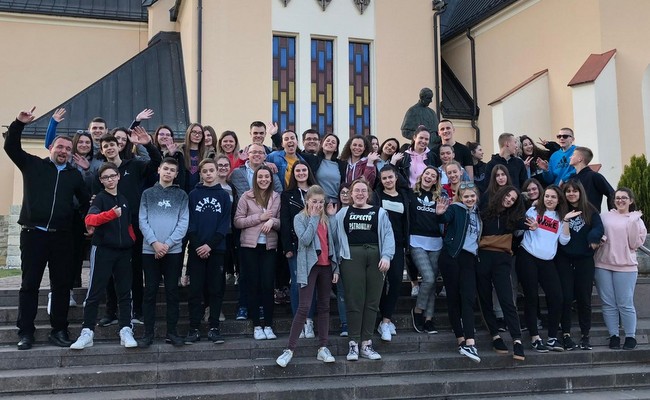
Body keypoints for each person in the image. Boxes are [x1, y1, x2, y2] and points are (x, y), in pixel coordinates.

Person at [5, 107, 90, 350]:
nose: (63, 151)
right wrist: (18, 123)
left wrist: (89, 223)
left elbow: (85, 202)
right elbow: (11, 147)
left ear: (71, 154)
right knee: (29, 285)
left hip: (62, 237)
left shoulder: (74, 176)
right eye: (60, 147)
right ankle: (26, 332)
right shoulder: (32, 165)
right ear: (51, 147)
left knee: (61, 286)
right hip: (33, 234)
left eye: (68, 149)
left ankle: (59, 330)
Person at [95, 129, 162, 328]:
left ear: (119, 146)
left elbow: (157, 163)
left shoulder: (134, 165)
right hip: (109, 227)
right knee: (109, 271)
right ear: (102, 150)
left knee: (135, 269)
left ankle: (137, 310)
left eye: (112, 144)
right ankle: (111, 311)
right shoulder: (101, 173)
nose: (109, 148)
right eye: (105, 146)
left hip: (133, 226)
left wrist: (148, 144)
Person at [70, 162, 137, 350]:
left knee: (125, 292)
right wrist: (110, 215)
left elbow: (128, 225)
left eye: (112, 176)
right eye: (105, 177)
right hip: (103, 250)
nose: (110, 180)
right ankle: (87, 332)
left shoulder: (124, 199)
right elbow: (90, 220)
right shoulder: (99, 199)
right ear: (101, 180)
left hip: (123, 252)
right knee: (95, 291)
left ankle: (126, 329)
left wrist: (130, 240)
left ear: (118, 176)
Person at [276, 185, 339, 367]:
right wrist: (313, 218)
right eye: (314, 201)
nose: (318, 205)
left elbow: (335, 241)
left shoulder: (326, 218)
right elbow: (304, 240)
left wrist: (332, 217)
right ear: (307, 201)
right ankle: (289, 349)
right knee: (303, 307)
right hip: (309, 267)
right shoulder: (300, 218)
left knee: (324, 307)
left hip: (326, 266)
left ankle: (323, 348)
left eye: (321, 202)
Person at [334, 178, 395, 361]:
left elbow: (388, 235)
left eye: (363, 190)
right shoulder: (342, 213)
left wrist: (386, 256)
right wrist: (335, 266)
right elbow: (334, 239)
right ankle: (353, 343)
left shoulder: (380, 212)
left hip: (376, 258)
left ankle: (366, 343)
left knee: (372, 301)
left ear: (368, 194)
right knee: (354, 300)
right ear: (351, 194)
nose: (360, 194)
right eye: (356, 191)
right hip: (351, 258)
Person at [516, 185, 579, 352]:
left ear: (559, 200)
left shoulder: (560, 217)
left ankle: (552, 338)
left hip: (547, 261)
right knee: (531, 298)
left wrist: (566, 221)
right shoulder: (533, 211)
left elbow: (564, 241)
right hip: (528, 256)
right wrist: (531, 226)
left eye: (553, 197)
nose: (549, 199)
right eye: (547, 196)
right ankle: (535, 338)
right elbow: (522, 227)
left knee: (557, 297)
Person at [137, 157, 189, 348]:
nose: (168, 172)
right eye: (165, 168)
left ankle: (172, 332)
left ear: (176, 174)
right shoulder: (147, 194)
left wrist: (167, 244)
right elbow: (142, 220)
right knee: (150, 291)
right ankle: (148, 333)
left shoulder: (182, 195)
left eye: (172, 170)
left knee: (172, 292)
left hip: (173, 251)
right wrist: (155, 243)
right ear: (159, 170)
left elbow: (183, 222)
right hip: (149, 250)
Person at [185, 158, 232, 344]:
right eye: (205, 171)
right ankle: (194, 328)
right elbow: (190, 223)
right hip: (196, 250)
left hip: (217, 250)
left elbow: (224, 225)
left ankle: (214, 328)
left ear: (217, 171)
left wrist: (210, 245)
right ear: (201, 173)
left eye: (211, 170)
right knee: (195, 290)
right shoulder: (193, 195)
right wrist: (198, 245)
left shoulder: (224, 196)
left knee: (215, 289)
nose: (209, 174)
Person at [477, 185, 526, 361]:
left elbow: (529, 224)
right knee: (485, 298)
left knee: (506, 299)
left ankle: (517, 340)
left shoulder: (514, 218)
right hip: (482, 258)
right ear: (501, 194)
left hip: (502, 261)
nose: (509, 200)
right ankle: (495, 335)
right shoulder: (484, 212)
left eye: (513, 199)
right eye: (508, 196)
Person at [594, 188, 647, 350]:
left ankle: (630, 336)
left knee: (625, 303)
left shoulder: (637, 220)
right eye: (617, 198)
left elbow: (634, 244)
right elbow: (597, 233)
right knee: (608, 303)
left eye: (624, 198)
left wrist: (632, 222)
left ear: (631, 200)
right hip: (603, 264)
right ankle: (614, 336)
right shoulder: (604, 217)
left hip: (626, 267)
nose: (620, 200)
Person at [435, 183, 482, 363]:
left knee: (468, 298)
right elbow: (445, 218)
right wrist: (440, 214)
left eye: (472, 196)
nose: (469, 199)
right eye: (466, 196)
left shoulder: (478, 213)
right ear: (460, 197)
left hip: (469, 258)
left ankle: (470, 341)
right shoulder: (456, 208)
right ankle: (462, 340)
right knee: (454, 298)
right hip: (452, 256)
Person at [234, 165, 281, 340]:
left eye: (266, 177)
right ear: (255, 179)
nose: (263, 180)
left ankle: (268, 325)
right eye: (260, 177)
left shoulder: (276, 197)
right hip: (249, 247)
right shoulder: (246, 196)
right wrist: (259, 218)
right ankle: (256, 326)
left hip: (269, 246)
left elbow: (281, 221)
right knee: (252, 284)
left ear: (271, 179)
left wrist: (272, 221)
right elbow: (238, 221)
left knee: (268, 285)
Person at [556, 180, 604, 351]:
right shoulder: (560, 210)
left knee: (584, 298)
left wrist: (593, 238)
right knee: (566, 297)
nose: (571, 194)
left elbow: (598, 227)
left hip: (584, 260)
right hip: (564, 259)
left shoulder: (590, 210)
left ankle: (585, 335)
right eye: (568, 191)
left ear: (580, 192)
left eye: (575, 191)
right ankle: (566, 334)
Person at [281, 161, 317, 334]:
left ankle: (309, 321)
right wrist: (287, 247)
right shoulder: (287, 195)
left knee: (311, 283)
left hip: (315, 245)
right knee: (298, 283)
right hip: (296, 246)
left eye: (304, 170)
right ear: (293, 174)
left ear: (308, 172)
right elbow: (285, 221)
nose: (301, 173)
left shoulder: (316, 192)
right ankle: (299, 321)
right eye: (297, 171)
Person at [373, 166, 408, 341]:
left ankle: (385, 320)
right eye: (384, 178)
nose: (387, 180)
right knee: (380, 283)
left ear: (396, 178)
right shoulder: (377, 196)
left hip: (398, 245)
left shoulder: (404, 196)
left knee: (395, 282)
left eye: (390, 177)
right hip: (380, 245)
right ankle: (385, 320)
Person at [408, 166, 443, 334]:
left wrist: (441, 214)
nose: (429, 177)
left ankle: (429, 319)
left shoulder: (440, 197)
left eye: (433, 175)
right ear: (422, 176)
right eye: (427, 173)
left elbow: (444, 219)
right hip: (416, 241)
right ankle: (417, 310)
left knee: (433, 281)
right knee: (428, 278)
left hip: (436, 242)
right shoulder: (411, 194)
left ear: (436, 180)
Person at [302, 133, 345, 204]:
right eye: (327, 140)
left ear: (336, 148)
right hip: (318, 202)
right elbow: (297, 152)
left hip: (335, 203)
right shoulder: (313, 160)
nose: (330, 143)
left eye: (333, 142)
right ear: (322, 144)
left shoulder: (341, 164)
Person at [569, 146, 614, 211]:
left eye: (573, 155)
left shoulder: (595, 176)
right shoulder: (572, 178)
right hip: (574, 215)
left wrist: (612, 213)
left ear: (580, 159)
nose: (570, 157)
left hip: (591, 215)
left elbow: (611, 193)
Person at [150, 125, 186, 189]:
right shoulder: (151, 153)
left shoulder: (178, 154)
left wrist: (172, 155)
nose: (165, 137)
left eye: (168, 135)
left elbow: (181, 176)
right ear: (156, 136)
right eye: (161, 134)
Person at [181, 123, 206, 193]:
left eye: (200, 133)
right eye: (194, 132)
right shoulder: (180, 151)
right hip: (183, 191)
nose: (197, 135)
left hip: (200, 191)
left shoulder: (207, 153)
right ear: (189, 133)